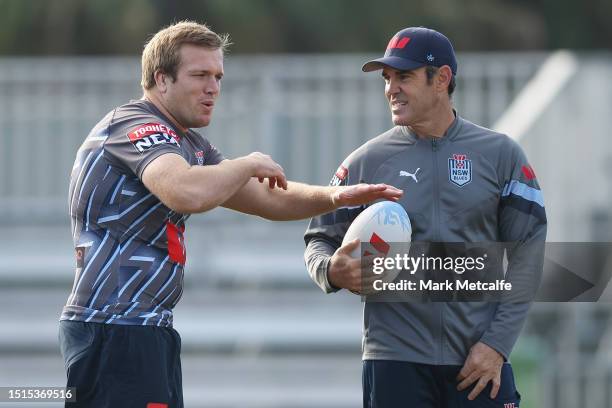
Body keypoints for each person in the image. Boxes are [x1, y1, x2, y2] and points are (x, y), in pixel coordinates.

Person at [58, 21, 403, 408]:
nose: (213, 88)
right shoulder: (136, 124)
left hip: (143, 327)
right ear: (162, 80)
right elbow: (185, 190)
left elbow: (269, 199)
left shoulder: (188, 143)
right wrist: (247, 162)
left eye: (218, 76)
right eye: (200, 75)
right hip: (114, 328)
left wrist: (339, 196)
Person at [304, 27, 546, 408]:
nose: (391, 89)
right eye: (387, 78)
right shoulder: (367, 161)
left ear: (442, 79)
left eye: (404, 76)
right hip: (394, 364)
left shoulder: (501, 155)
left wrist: (497, 344)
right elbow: (318, 239)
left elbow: (528, 254)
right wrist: (331, 270)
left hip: (479, 365)